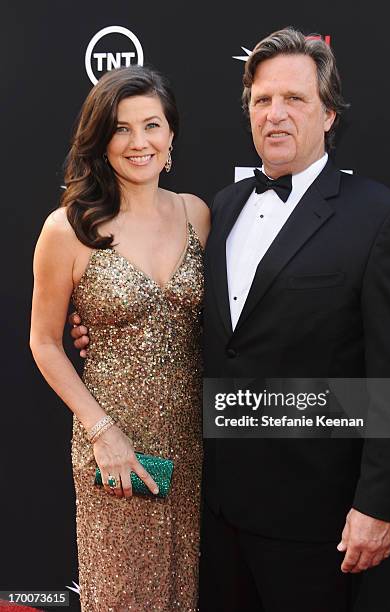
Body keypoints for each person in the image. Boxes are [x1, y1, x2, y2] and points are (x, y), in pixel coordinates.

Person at [71, 28, 390, 612]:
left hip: (320, 524)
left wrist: (379, 506)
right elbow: (181, 316)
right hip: (214, 511)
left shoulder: (381, 219)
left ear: (329, 114)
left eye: (296, 99)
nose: (276, 114)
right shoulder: (224, 209)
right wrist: (99, 330)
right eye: (263, 100)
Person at [30, 65, 210, 612]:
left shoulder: (198, 214)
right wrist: (102, 432)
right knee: (123, 596)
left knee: (185, 591)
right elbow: (44, 342)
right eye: (122, 129)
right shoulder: (68, 228)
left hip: (193, 442)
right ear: (101, 140)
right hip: (115, 448)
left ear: (172, 134)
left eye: (151, 125)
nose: (139, 143)